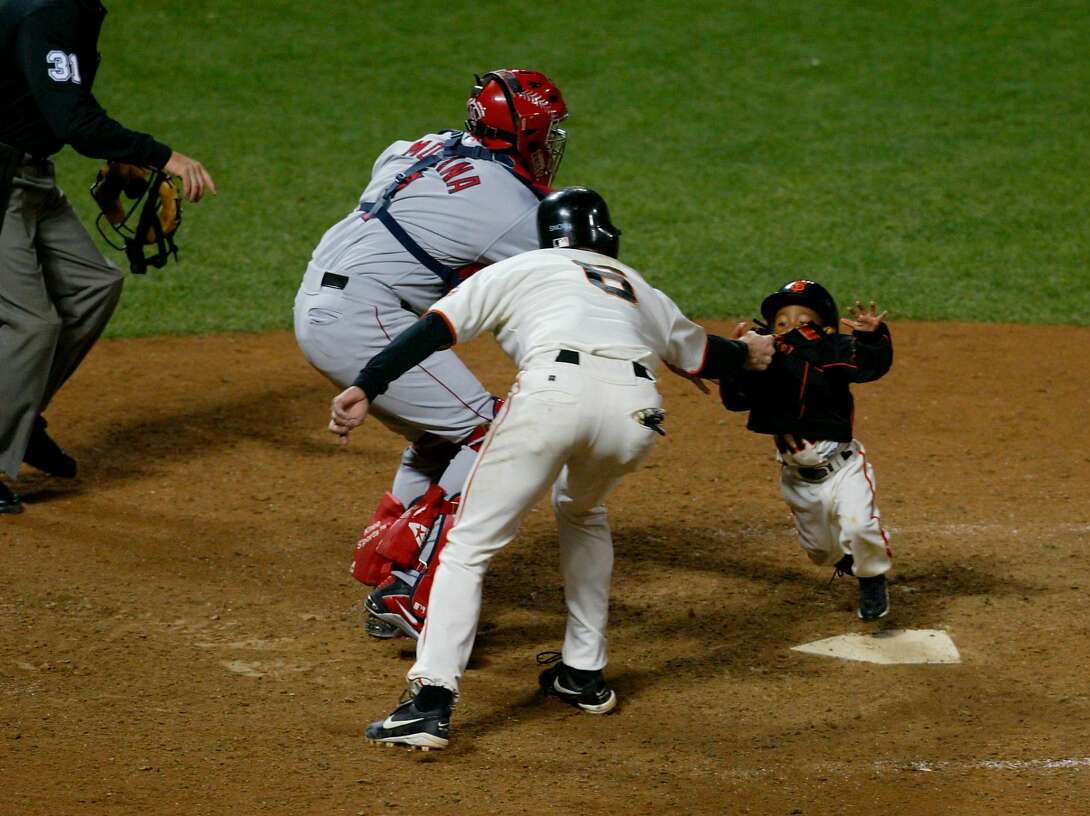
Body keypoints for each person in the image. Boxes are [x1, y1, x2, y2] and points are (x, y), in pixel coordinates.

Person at [327, 187, 777, 749]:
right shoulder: (633, 283)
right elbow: (702, 355)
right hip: (634, 413)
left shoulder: (522, 266)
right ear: (605, 236)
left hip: (551, 399)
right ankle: (583, 674)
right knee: (584, 511)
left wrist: (367, 385)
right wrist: (756, 352)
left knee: (468, 546)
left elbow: (433, 330)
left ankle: (430, 702)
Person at [293, 69, 569, 639]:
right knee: (490, 434)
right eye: (544, 136)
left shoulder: (421, 144)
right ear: (522, 137)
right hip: (363, 317)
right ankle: (418, 586)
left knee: (442, 435)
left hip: (320, 298)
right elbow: (580, 279)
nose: (548, 148)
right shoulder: (514, 206)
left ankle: (385, 561)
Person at [0, 0, 217, 514]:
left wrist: (116, 146)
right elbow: (73, 121)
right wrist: (161, 154)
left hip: (29, 174)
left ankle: (20, 418)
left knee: (94, 284)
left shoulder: (74, 11)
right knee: (31, 324)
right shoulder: (44, 12)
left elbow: (60, 105)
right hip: (1, 177)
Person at [719, 280, 894, 621]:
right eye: (781, 322)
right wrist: (736, 360)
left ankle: (872, 578)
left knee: (859, 526)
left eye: (802, 320)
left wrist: (872, 338)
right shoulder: (764, 364)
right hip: (798, 479)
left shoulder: (831, 352)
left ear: (825, 327)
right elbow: (736, 400)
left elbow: (868, 366)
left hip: (843, 468)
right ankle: (855, 562)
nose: (789, 328)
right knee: (820, 553)